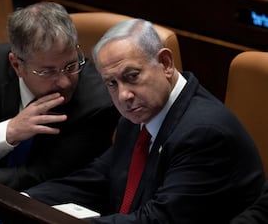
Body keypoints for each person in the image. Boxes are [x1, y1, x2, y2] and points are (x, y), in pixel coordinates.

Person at [24, 18, 265, 223]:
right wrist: (26, 202)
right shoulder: (142, 111)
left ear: (165, 64)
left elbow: (157, 220)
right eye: (112, 83)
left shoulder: (205, 133)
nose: (123, 95)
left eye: (132, 76)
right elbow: (101, 175)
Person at [0, 1, 120, 191]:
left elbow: (43, 175)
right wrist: (8, 132)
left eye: (71, 65)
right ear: (17, 65)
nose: (65, 82)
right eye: (48, 72)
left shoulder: (98, 99)